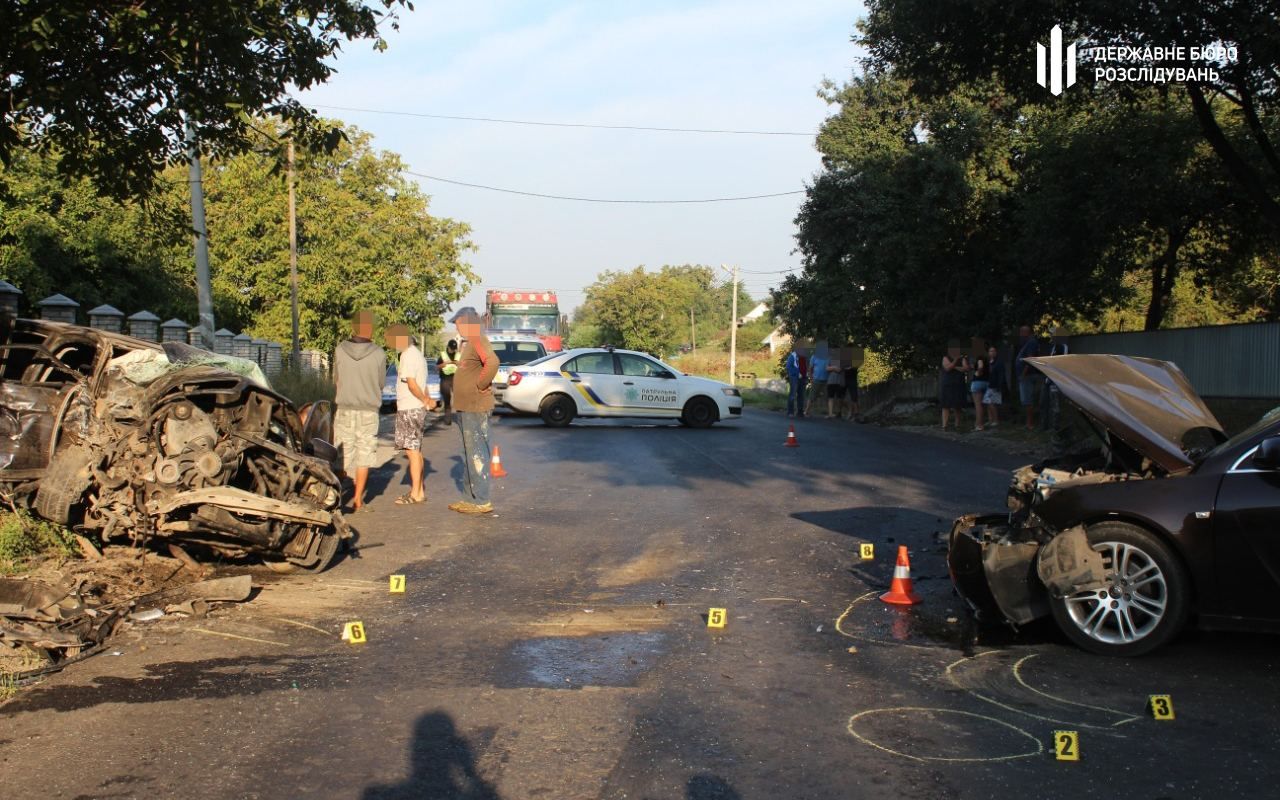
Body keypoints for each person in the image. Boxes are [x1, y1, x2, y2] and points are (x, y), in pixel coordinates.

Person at [333, 310, 387, 512]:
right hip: (368, 411)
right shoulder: (379, 353)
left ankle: (335, 498)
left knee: (341, 454)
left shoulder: (339, 350)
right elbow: (380, 383)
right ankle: (357, 500)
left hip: (345, 409)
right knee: (365, 455)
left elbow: (336, 381)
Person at [448, 307, 499, 515]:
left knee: (477, 454)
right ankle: (470, 499)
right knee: (469, 454)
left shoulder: (477, 339)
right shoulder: (470, 342)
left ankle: (481, 500)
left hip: (475, 407)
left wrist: (480, 385)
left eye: (458, 323)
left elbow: (493, 362)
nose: (457, 327)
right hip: (466, 408)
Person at [387, 325, 435, 505]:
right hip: (415, 408)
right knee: (415, 449)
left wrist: (425, 400)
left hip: (410, 408)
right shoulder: (418, 355)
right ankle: (419, 490)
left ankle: (415, 493)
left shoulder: (407, 355)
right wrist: (426, 399)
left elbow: (413, 384)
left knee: (412, 451)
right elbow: (423, 383)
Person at [1041, 326, 1070, 432]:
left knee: (1055, 406)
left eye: (1053, 334)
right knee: (1044, 403)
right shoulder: (1052, 347)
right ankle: (1044, 426)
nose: (1052, 336)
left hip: (1056, 381)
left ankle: (1055, 427)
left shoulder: (1064, 347)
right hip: (1048, 380)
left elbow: (1064, 363)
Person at [1015, 325, 1040, 430]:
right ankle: (1028, 423)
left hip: (1028, 376)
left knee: (1028, 400)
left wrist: (1023, 375)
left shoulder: (1031, 342)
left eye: (1022, 332)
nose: (1020, 334)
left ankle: (1030, 424)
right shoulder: (1027, 343)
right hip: (1026, 376)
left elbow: (1029, 360)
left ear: (1027, 332)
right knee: (1026, 401)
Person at [939, 352, 968, 430]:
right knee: (945, 405)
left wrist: (954, 366)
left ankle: (957, 425)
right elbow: (947, 368)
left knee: (957, 405)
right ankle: (944, 426)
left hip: (958, 384)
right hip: (947, 384)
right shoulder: (945, 357)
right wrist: (955, 361)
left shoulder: (962, 358)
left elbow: (966, 368)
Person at [436, 339, 460, 425]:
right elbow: (437, 367)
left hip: (455, 378)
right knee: (447, 399)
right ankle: (447, 419)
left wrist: (459, 364)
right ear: (448, 347)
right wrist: (443, 364)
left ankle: (461, 418)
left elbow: (463, 366)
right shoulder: (443, 355)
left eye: (454, 349)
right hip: (445, 379)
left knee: (458, 398)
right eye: (451, 348)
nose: (453, 350)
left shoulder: (458, 355)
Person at [983, 345, 1006, 427]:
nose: (992, 352)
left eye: (993, 351)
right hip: (989, 384)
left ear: (996, 352)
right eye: (990, 351)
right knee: (988, 402)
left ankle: (996, 420)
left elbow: (1001, 375)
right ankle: (990, 420)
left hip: (995, 385)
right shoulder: (989, 362)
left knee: (992, 402)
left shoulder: (999, 362)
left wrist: (1000, 385)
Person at [784, 347, 808, 418]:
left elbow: (806, 366)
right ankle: (790, 412)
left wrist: (806, 375)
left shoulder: (804, 357)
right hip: (794, 378)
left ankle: (800, 412)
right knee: (793, 395)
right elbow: (788, 367)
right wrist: (798, 373)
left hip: (803, 378)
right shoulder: (792, 356)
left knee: (802, 395)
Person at [969, 352, 990, 431]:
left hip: (977, 383)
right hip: (986, 383)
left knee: (978, 406)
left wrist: (978, 373)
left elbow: (980, 367)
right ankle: (979, 423)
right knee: (983, 405)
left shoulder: (980, 359)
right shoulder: (987, 362)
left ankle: (979, 425)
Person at [806, 350, 828, 416]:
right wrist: (811, 379)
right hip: (816, 380)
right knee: (812, 396)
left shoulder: (828, 357)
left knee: (829, 396)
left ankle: (830, 413)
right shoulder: (814, 357)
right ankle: (807, 411)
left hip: (826, 380)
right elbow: (810, 368)